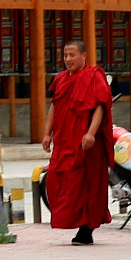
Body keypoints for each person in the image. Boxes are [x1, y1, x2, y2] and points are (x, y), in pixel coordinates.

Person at [43, 39, 113, 244]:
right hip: (64, 140)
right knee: (56, 181)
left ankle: (86, 229)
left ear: (84, 56)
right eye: (65, 55)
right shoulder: (60, 79)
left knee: (86, 184)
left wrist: (91, 133)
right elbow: (54, 107)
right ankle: (72, 220)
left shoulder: (94, 75)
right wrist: (47, 134)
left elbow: (100, 106)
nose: (68, 59)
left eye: (72, 55)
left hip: (86, 141)